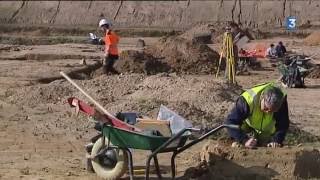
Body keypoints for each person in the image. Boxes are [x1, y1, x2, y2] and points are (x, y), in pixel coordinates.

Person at [225, 82, 289, 148]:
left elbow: (283, 124)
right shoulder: (247, 100)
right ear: (262, 97)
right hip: (247, 122)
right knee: (237, 142)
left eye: (272, 111)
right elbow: (230, 122)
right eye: (266, 108)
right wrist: (244, 140)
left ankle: (262, 141)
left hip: (265, 128)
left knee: (266, 145)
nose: (267, 112)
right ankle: (237, 141)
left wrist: (276, 140)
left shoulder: (281, 101)